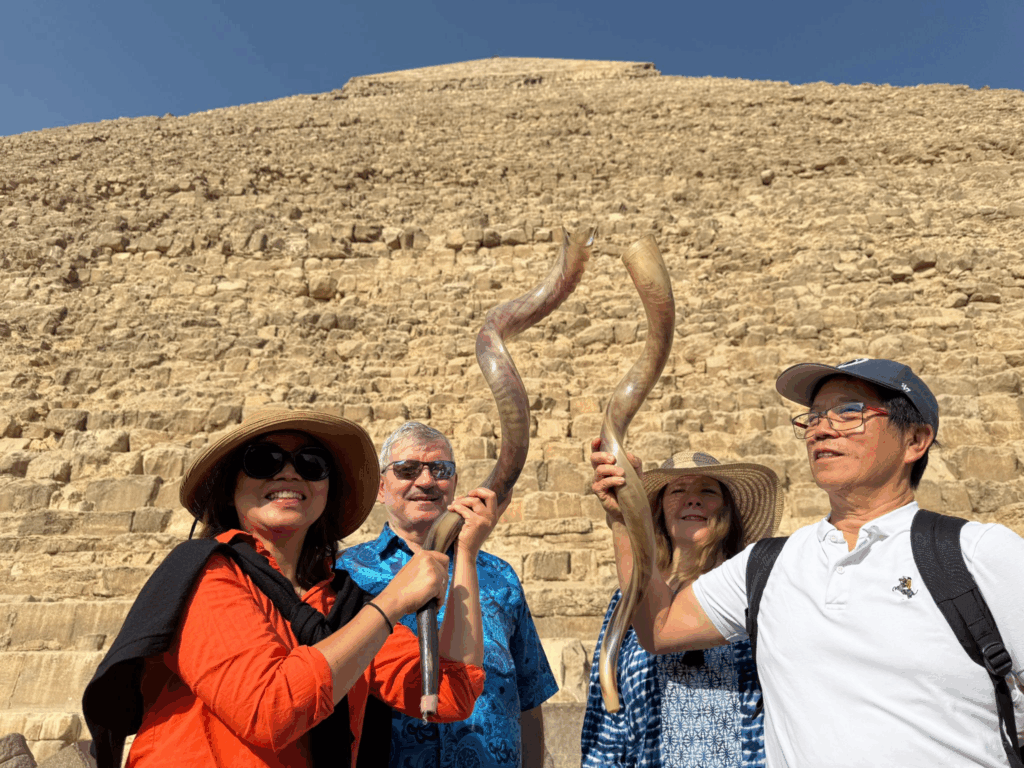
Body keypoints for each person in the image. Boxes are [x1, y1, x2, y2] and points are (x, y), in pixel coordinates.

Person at [594, 358, 1024, 767]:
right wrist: (624, 520)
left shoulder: (977, 554)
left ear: (915, 440)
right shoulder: (766, 566)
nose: (821, 429)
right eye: (814, 417)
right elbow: (659, 627)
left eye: (849, 412)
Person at [83, 408, 492, 768]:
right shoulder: (206, 575)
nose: (289, 473)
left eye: (311, 464)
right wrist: (391, 604)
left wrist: (466, 554)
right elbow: (270, 710)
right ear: (230, 485)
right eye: (264, 460)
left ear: (328, 489)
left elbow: (450, 692)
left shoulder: (342, 606)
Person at [338, 421, 558, 768]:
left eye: (440, 470)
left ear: (454, 484)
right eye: (407, 469)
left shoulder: (500, 577)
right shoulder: (345, 573)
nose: (426, 481)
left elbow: (529, 695)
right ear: (381, 488)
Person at [582, 449, 782, 768]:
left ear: (728, 510)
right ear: (660, 510)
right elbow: (608, 721)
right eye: (678, 491)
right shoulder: (628, 603)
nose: (693, 500)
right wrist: (624, 516)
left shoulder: (759, 590)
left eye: (707, 491)